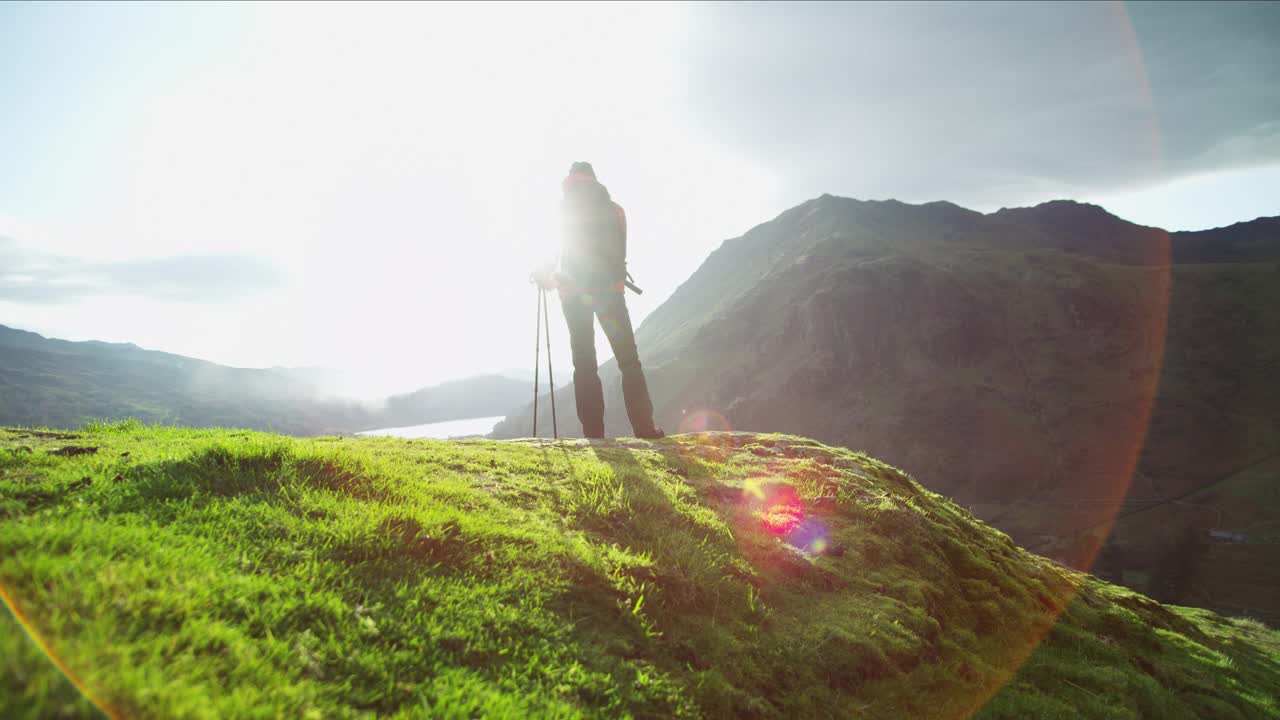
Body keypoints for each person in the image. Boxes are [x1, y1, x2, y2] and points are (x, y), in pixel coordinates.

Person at [532, 162, 664, 440]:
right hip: (610, 295)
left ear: (569, 178)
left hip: (573, 296)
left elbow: (554, 253)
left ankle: (594, 435)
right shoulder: (615, 209)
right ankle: (645, 429)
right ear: (593, 178)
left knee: (585, 363)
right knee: (629, 361)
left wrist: (545, 275)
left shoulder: (562, 209)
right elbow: (621, 252)